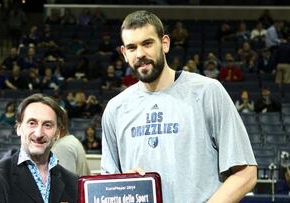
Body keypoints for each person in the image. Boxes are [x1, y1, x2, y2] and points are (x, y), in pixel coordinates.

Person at [101, 10, 257, 203]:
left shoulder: (207, 92)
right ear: (124, 53)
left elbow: (246, 173)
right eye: (132, 47)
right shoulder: (115, 109)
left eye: (147, 43)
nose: (140, 53)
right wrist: (124, 183)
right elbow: (108, 186)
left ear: (165, 43)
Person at [0, 94, 78, 202]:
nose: (39, 134)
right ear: (18, 128)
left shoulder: (73, 181)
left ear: (57, 133)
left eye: (47, 125)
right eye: (32, 123)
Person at [51, 108, 90, 176]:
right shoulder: (70, 140)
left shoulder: (62, 147)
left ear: (60, 125)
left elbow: (64, 184)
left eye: (47, 124)